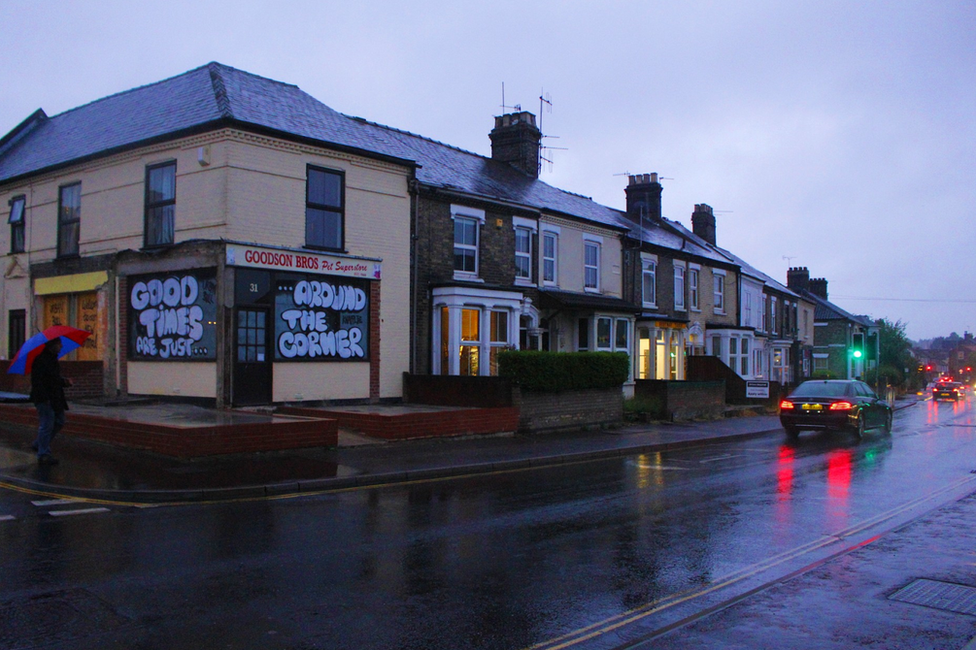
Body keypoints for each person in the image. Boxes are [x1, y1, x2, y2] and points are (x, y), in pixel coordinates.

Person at [29, 338, 71, 465]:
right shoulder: (40, 360)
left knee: (59, 421)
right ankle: (43, 453)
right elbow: (37, 382)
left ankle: (39, 443)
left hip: (56, 398)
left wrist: (64, 382)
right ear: (52, 346)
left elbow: (54, 379)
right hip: (45, 399)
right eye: (59, 344)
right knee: (46, 425)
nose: (61, 346)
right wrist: (43, 398)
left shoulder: (53, 360)